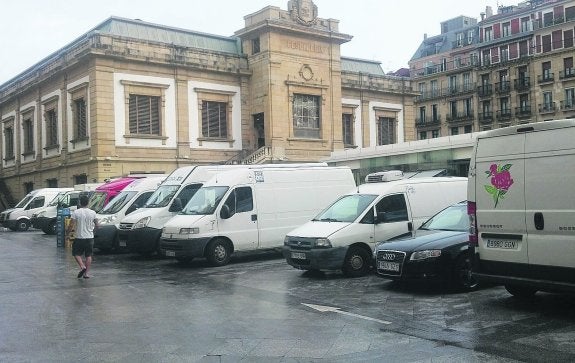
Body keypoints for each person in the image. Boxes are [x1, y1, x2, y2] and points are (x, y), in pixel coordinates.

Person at [66, 194, 98, 279]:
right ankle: (86, 273)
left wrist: (67, 234)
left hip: (79, 237)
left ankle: (82, 266)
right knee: (88, 255)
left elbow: (71, 225)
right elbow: (97, 225)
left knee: (76, 253)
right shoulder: (93, 213)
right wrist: (93, 233)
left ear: (80, 203)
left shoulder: (76, 212)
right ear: (88, 203)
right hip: (90, 237)